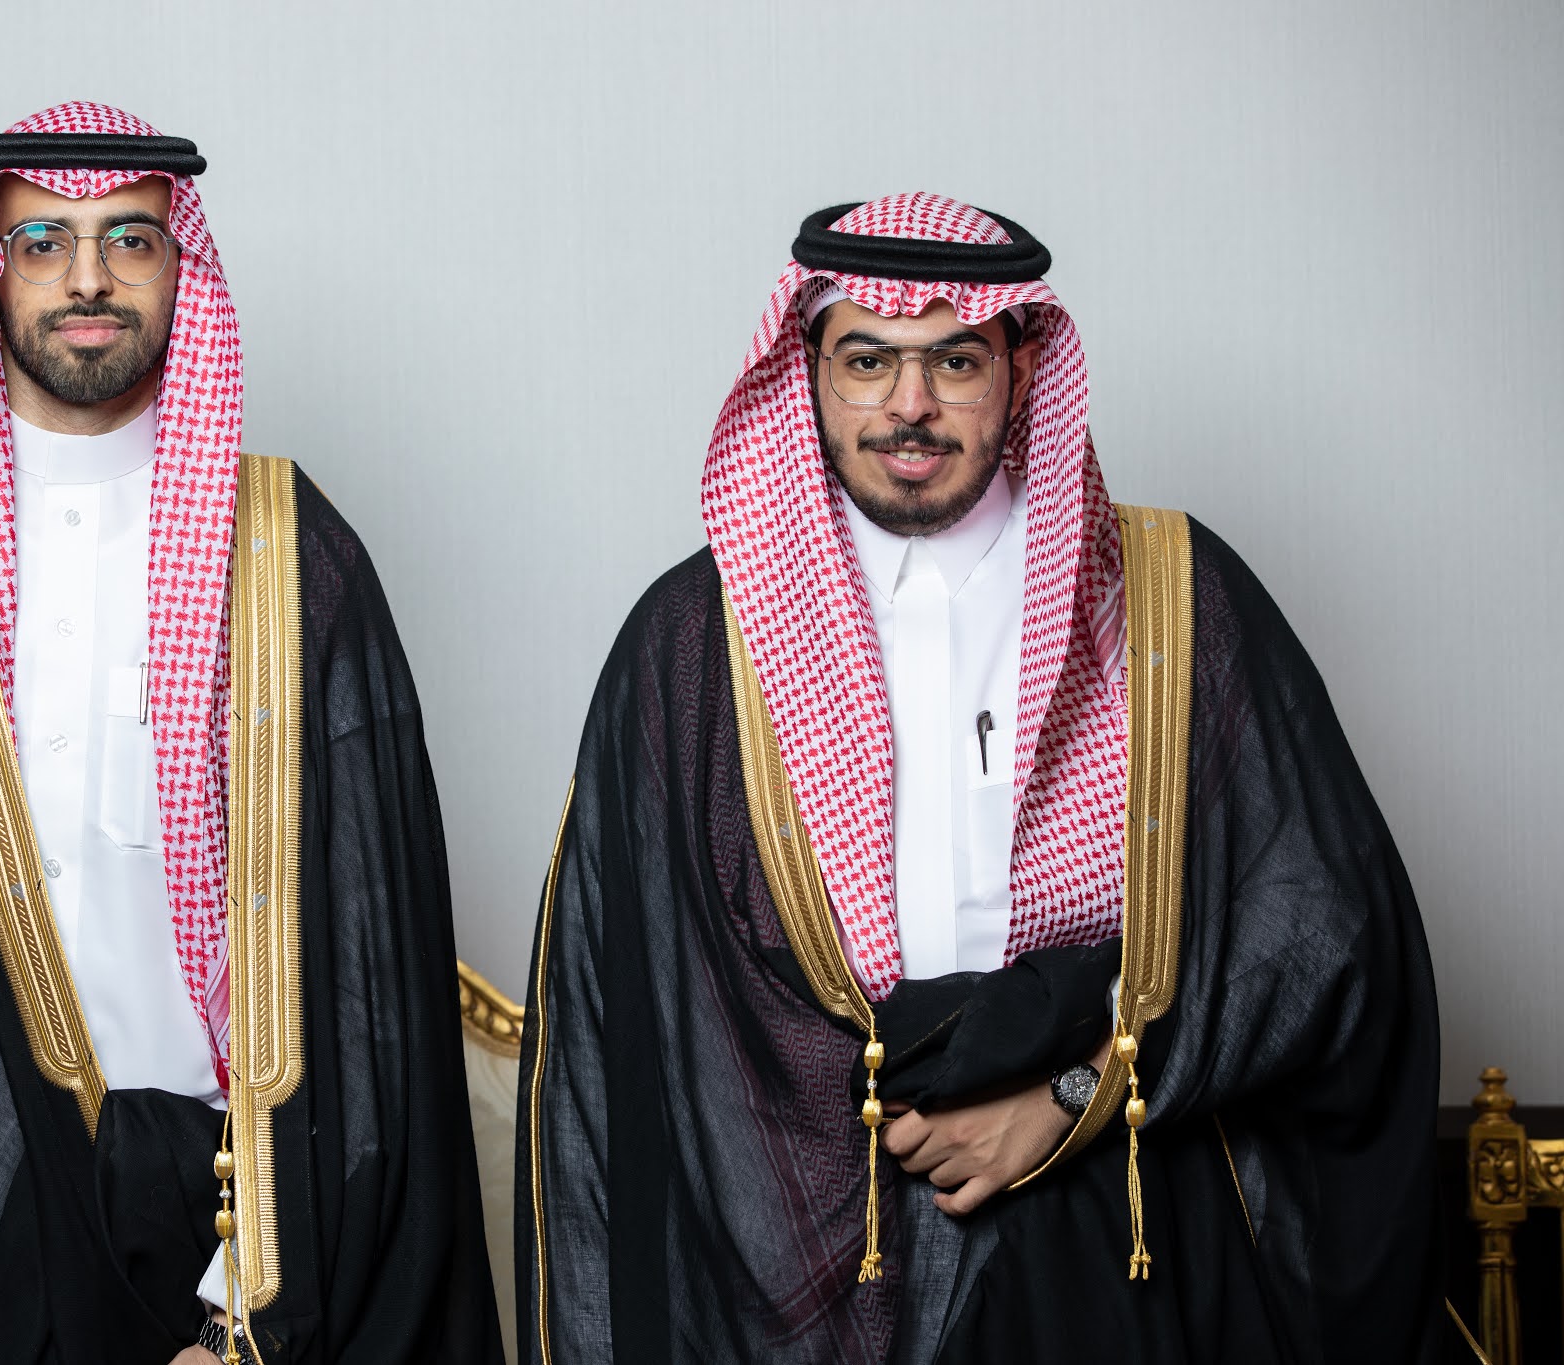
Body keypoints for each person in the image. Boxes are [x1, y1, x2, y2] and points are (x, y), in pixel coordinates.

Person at [515, 193, 1458, 1363]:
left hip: (1115, 1229)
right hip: (803, 1262)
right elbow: (622, 1014)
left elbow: (1319, 926)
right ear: (807, 374)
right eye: (866, 360)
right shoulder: (693, 641)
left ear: (1017, 371)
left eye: (953, 361)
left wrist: (1071, 1096)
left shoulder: (1171, 598)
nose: (908, 405)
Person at [0, 102, 500, 1365]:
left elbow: (368, 982)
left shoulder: (294, 560)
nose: (86, 279)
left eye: (129, 239)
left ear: (180, 268)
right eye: (42, 242)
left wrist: (249, 1318)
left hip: (227, 1244)